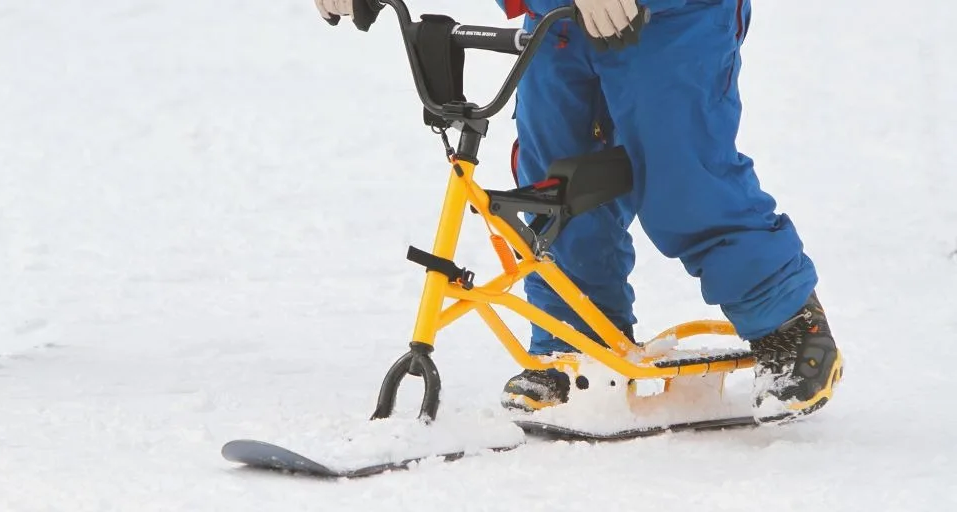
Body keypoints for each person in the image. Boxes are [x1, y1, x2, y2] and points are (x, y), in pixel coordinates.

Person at [314, 0, 843, 419]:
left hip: (670, 15)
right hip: (556, 18)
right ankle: (576, 343)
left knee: (681, 174)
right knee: (558, 186)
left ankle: (787, 320)